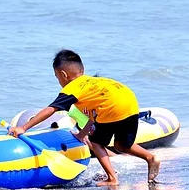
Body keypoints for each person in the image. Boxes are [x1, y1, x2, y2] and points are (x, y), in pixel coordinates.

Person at [8, 49, 161, 183]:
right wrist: (81, 134)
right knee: (122, 145)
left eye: (57, 77)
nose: (58, 81)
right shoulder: (94, 82)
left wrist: (24, 127)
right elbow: (94, 117)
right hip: (130, 102)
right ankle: (150, 158)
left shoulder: (73, 87)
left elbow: (51, 109)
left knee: (96, 143)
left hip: (111, 106)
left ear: (63, 74)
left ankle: (112, 178)